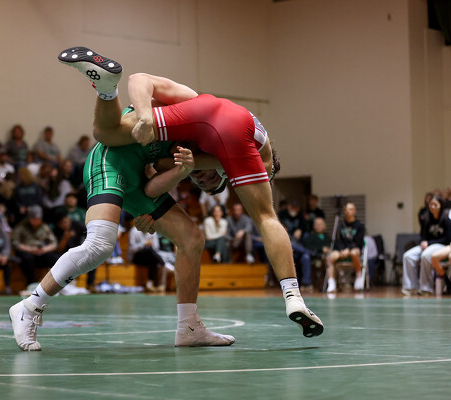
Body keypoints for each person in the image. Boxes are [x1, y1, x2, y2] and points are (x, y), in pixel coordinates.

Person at [55, 46, 323, 337]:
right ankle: (293, 294)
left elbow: (158, 169)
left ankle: (107, 89)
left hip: (208, 117)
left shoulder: (200, 140)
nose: (201, 179)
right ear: (227, 175)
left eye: (202, 181)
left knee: (106, 133)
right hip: (220, 126)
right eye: (203, 180)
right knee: (266, 217)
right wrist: (146, 117)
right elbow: (140, 81)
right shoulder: (225, 147)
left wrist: (151, 202)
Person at [9, 134, 235, 350]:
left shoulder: (183, 159)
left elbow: (151, 186)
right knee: (99, 245)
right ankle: (29, 307)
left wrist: (145, 209)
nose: (202, 180)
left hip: (136, 177)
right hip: (110, 162)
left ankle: (189, 327)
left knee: (192, 239)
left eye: (203, 184)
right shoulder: (195, 128)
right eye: (211, 178)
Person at [401, 196, 451, 296]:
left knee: (426, 255)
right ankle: (411, 287)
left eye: (435, 204)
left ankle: (426, 288)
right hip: (428, 245)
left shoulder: (446, 219)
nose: (433, 206)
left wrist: (429, 243)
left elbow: (447, 239)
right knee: (408, 256)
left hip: (441, 246)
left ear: (441, 206)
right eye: (431, 204)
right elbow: (422, 235)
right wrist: (423, 242)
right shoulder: (427, 219)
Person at [12, 205, 60, 285]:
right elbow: (15, 243)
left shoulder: (44, 227)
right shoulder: (21, 226)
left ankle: (55, 282)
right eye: (34, 219)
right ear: (29, 218)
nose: (36, 221)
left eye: (38, 219)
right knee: (28, 259)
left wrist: (44, 249)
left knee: (54, 257)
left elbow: (54, 243)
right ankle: (31, 282)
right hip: (27, 252)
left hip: (41, 251)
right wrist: (29, 249)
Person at [325, 202, 365, 292]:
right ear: (344, 211)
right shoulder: (339, 225)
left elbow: (358, 242)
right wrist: (342, 250)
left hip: (354, 249)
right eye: (346, 209)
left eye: (351, 209)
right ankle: (331, 283)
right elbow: (338, 240)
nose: (348, 211)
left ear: (354, 211)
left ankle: (359, 276)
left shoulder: (360, 225)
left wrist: (348, 249)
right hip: (341, 249)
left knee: (354, 253)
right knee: (329, 257)